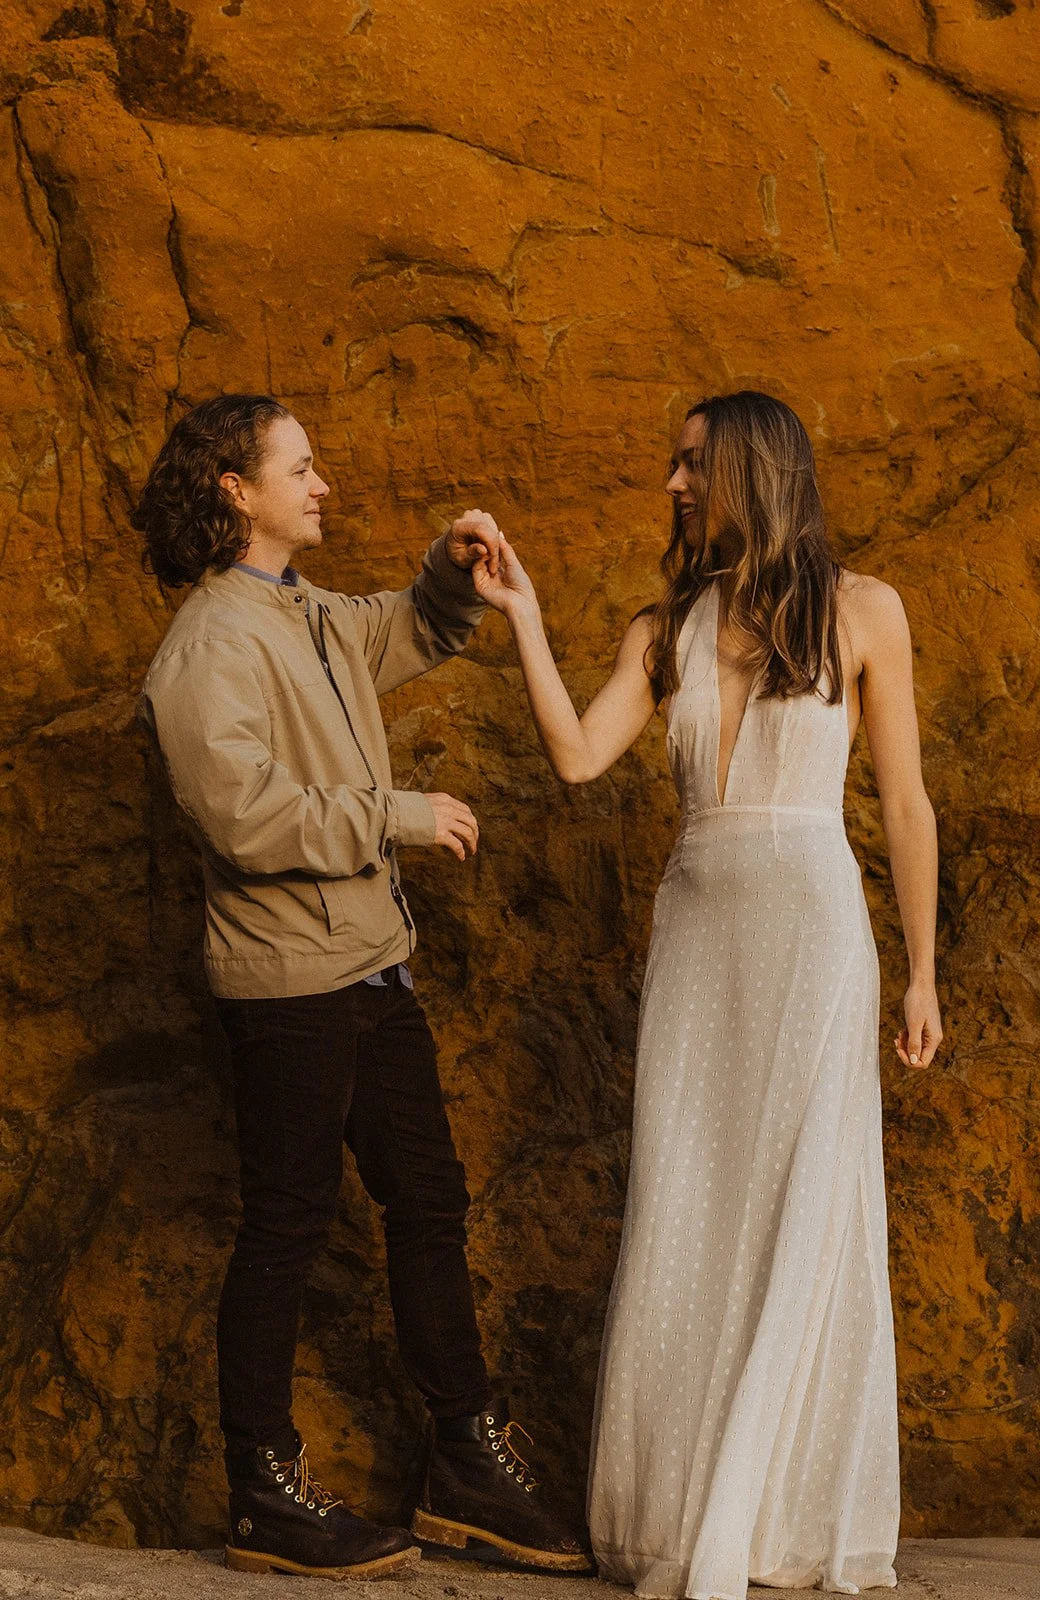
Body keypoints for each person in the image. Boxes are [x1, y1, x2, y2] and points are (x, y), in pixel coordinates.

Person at [459, 390, 942, 1597]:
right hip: (698, 935)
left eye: (691, 463)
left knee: (803, 1208)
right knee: (689, 1204)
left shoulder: (866, 610)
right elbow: (577, 756)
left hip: (813, 936)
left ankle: (772, 1520)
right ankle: (690, 1513)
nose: (672, 484)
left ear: (751, 469)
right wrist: (520, 616)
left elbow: (907, 802)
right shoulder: (664, 624)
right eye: (673, 463)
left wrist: (925, 969)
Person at [135, 394, 590, 1581]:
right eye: (302, 465)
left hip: (371, 964)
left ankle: (466, 1462)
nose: (322, 481)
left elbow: (396, 632)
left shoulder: (305, 612)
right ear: (237, 489)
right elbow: (243, 816)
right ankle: (264, 1492)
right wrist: (400, 813)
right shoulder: (205, 647)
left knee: (428, 1202)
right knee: (284, 1226)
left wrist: (450, 577)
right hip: (287, 982)